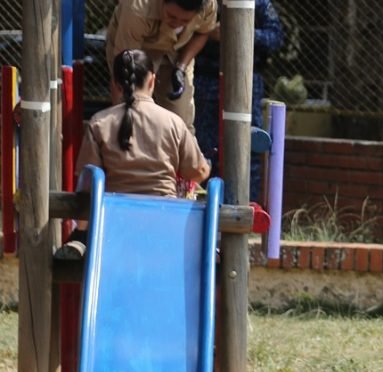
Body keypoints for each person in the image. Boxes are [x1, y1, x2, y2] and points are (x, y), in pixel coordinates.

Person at [56, 49, 211, 259]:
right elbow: (198, 171)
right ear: (152, 80)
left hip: (113, 225)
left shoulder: (100, 122)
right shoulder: (173, 122)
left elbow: (87, 181)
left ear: (116, 84)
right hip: (164, 222)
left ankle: (80, 238)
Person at [194, 0, 285, 203]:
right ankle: (205, 208)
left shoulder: (258, 3)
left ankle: (244, 205)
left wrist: (238, 31)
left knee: (247, 145)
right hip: (205, 79)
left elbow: (276, 38)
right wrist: (208, 33)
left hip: (246, 79)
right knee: (204, 147)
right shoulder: (205, 3)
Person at [106, 0, 219, 134]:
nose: (176, 23)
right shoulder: (137, 7)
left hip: (179, 50)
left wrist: (181, 67)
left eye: (185, 20)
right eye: (171, 16)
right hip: (138, 51)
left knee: (181, 121)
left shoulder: (208, 5)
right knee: (133, 112)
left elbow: (203, 32)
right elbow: (124, 67)